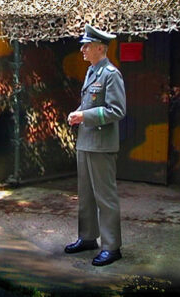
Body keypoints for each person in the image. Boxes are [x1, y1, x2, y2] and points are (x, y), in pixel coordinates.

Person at [65, 24, 126, 266]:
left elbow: (117, 110)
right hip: (86, 142)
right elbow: (89, 104)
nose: (82, 49)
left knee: (105, 198)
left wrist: (85, 117)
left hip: (102, 145)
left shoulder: (111, 74)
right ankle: (88, 238)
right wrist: (77, 112)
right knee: (86, 196)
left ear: (100, 48)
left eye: (86, 46)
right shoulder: (92, 72)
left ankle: (112, 247)